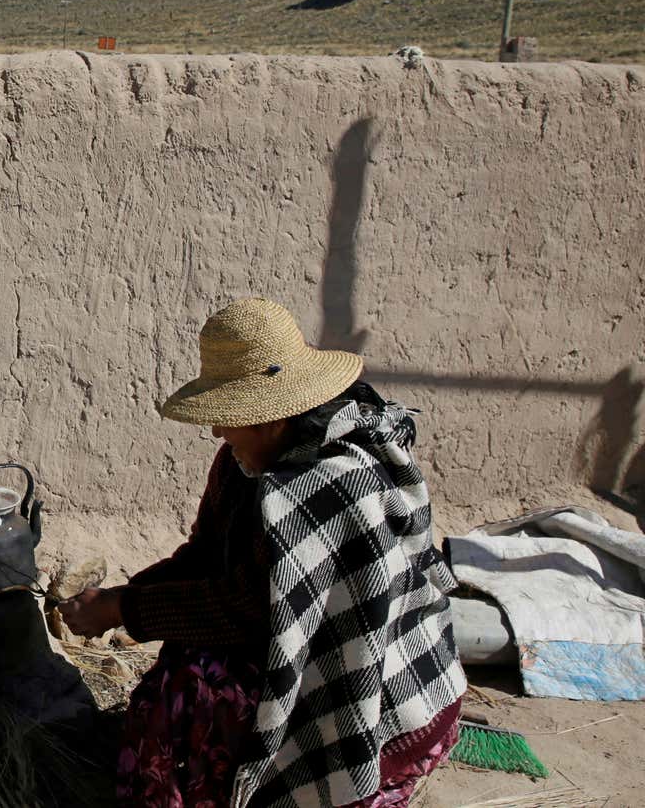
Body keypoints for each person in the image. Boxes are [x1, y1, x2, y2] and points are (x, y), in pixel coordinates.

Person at [60, 298, 465, 807]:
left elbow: (251, 608)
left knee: (201, 688)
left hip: (388, 702)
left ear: (270, 419)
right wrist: (123, 596)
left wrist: (125, 608)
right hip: (288, 640)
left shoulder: (337, 484)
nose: (216, 431)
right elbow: (206, 554)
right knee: (185, 659)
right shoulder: (241, 464)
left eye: (228, 418)